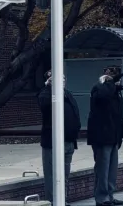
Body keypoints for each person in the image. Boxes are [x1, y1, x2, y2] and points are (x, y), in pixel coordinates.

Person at [39, 70, 82, 206]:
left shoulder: (67, 94)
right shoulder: (46, 94)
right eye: (58, 79)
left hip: (69, 141)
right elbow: (44, 105)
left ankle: (63, 199)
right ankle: (53, 201)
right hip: (53, 143)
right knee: (52, 175)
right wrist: (48, 87)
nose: (62, 80)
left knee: (64, 174)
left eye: (63, 78)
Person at [87, 67, 123, 206]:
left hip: (113, 136)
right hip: (102, 136)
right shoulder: (99, 88)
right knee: (102, 169)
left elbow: (118, 116)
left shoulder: (114, 93)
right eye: (115, 79)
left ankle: (109, 194)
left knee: (112, 169)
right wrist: (109, 83)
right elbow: (102, 97)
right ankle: (102, 197)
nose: (118, 82)